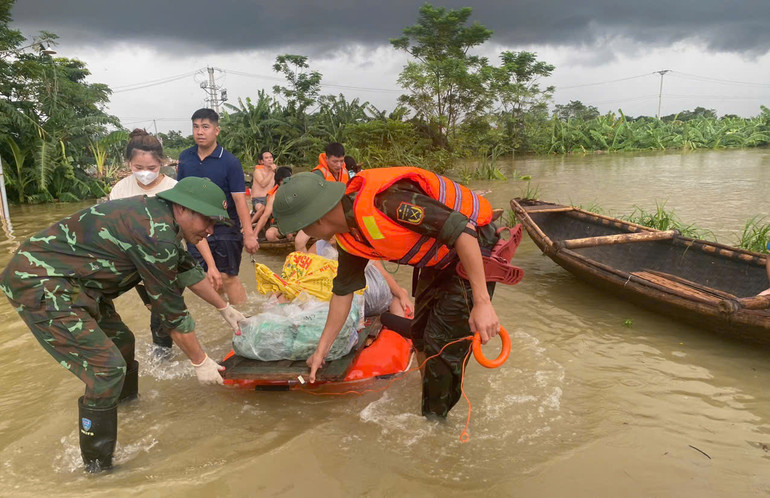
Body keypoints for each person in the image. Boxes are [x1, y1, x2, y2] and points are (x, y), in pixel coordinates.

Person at [0, 177, 246, 473]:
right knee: (106, 369)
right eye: (207, 220)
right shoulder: (155, 233)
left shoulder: (160, 219)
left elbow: (187, 270)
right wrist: (200, 361)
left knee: (123, 343)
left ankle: (127, 411)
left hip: (78, 284)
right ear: (183, 208)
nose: (209, 230)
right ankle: (98, 469)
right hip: (41, 283)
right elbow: (171, 312)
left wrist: (224, 308)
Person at [273, 168, 507, 419]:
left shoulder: (387, 202)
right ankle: (430, 395)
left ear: (316, 220)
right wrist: (321, 351)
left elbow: (463, 232)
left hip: (472, 250)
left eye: (302, 228)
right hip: (439, 258)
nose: (303, 236)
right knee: (420, 335)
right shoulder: (350, 237)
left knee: (441, 346)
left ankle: (435, 425)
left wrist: (482, 303)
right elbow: (342, 294)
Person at [109, 129, 181, 356]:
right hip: (135, 263)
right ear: (129, 163)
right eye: (138, 168)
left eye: (151, 168)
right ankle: (165, 350)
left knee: (164, 308)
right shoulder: (120, 189)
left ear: (161, 162)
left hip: (171, 260)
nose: (145, 173)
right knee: (152, 306)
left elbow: (187, 229)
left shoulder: (174, 189)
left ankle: (164, 353)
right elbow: (113, 229)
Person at [178, 108, 257, 304]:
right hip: (195, 228)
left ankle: (245, 320)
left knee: (228, 277)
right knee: (207, 279)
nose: (200, 132)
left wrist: (248, 234)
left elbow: (240, 200)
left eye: (205, 127)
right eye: (196, 127)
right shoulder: (185, 158)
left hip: (225, 227)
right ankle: (226, 317)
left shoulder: (230, 161)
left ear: (216, 130)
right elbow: (181, 195)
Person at [310, 238, 412, 317]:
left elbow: (384, 275)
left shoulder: (358, 246)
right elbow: (304, 274)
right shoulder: (318, 247)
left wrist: (402, 295)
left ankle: (401, 338)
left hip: (365, 297)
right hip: (335, 302)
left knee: (399, 295)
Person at [252, 166, 294, 241]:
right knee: (269, 234)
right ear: (278, 182)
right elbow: (265, 214)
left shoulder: (297, 191)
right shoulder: (273, 195)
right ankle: (281, 245)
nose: (285, 184)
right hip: (280, 225)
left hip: (298, 222)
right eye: (282, 181)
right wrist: (254, 233)